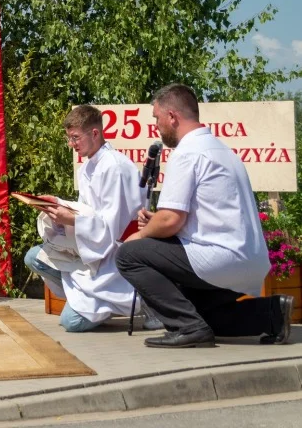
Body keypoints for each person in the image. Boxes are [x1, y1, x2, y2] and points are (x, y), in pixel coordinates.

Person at [116, 84, 291, 348]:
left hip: (219, 259)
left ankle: (188, 329)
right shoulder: (222, 150)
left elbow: (172, 220)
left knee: (128, 255)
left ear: (172, 117)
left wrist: (138, 236)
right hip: (248, 260)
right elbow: (200, 216)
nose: (156, 126)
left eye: (157, 118)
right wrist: (158, 221)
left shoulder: (188, 152)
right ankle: (272, 314)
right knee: (200, 314)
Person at [23, 106, 146, 332]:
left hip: (113, 255)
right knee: (34, 257)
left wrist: (71, 219)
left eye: (76, 138)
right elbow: (87, 209)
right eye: (69, 138)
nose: (72, 144)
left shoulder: (115, 167)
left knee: (71, 323)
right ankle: (82, 298)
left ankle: (136, 303)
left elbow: (110, 228)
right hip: (90, 247)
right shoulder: (88, 166)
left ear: (95, 134)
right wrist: (58, 204)